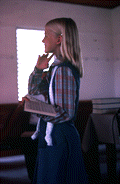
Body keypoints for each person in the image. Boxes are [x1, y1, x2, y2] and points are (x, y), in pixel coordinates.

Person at [24, 17, 88, 184]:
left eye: (46, 35)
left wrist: (34, 108)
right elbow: (34, 91)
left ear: (59, 39)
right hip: (53, 134)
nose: (43, 39)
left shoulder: (63, 71)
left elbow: (65, 114)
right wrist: (38, 70)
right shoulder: (56, 68)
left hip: (60, 137)